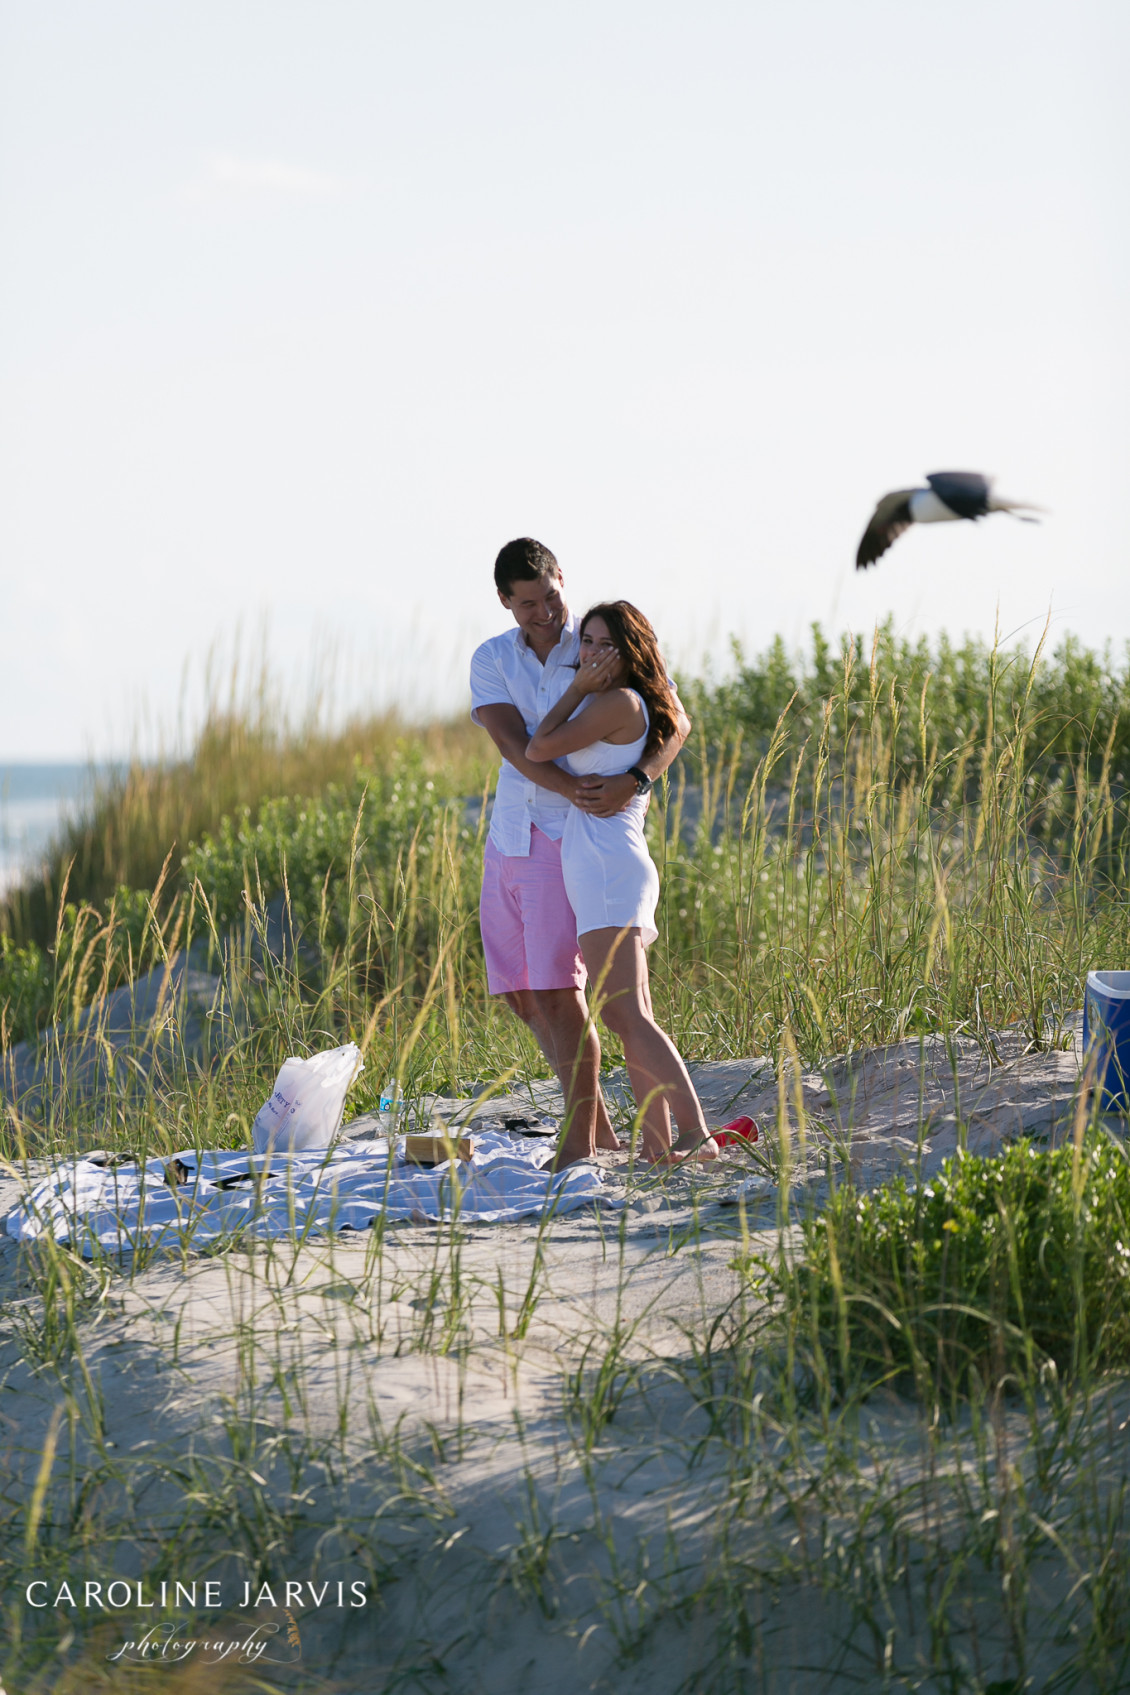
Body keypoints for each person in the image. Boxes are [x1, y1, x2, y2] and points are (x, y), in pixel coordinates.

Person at [470, 540, 690, 1167]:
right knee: (521, 992)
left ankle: (585, 1137)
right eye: (528, 604)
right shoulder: (492, 658)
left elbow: (675, 719)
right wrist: (570, 783)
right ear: (505, 602)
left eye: (550, 596)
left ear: (562, 578)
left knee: (560, 990)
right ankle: (600, 1132)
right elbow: (515, 745)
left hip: (568, 840)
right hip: (508, 834)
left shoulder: (599, 639)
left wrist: (638, 779)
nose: (543, 613)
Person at [527, 601, 719, 1165]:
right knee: (631, 1015)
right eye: (584, 642)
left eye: (603, 645)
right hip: (604, 865)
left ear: (629, 650)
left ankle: (695, 1133)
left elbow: (539, 747)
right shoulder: (624, 701)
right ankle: (659, 1146)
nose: (589, 654)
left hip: (608, 868)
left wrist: (574, 688)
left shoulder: (615, 702)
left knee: (623, 1015)